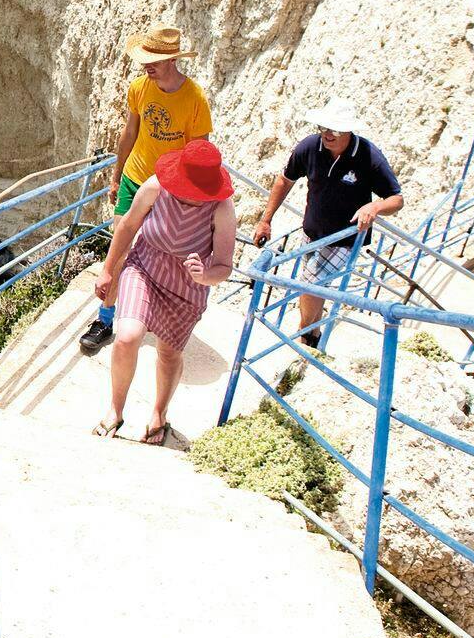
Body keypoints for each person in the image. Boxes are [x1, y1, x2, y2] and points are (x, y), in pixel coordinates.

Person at [91, 139, 238, 446]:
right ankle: (115, 410)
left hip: (187, 286)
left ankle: (159, 414)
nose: (192, 197)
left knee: (169, 354)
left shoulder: (221, 208)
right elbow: (128, 226)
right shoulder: (157, 187)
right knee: (127, 336)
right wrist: (107, 269)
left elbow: (224, 266)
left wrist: (205, 274)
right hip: (144, 266)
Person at [80, 24, 214, 355]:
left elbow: (199, 156)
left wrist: (190, 201)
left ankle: (146, 312)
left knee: (159, 253)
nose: (146, 65)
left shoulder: (195, 100)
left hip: (168, 190)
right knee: (121, 249)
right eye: (145, 59)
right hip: (135, 178)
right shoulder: (140, 87)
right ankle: (105, 319)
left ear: (172, 60)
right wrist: (116, 175)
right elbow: (129, 133)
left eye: (152, 59)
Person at [252, 96, 405, 343]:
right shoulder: (310, 147)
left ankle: (302, 338)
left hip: (344, 238)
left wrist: (374, 206)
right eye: (323, 127)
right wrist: (266, 220)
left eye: (334, 129)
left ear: (348, 130)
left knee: (308, 284)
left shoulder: (368, 156)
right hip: (311, 232)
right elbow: (285, 180)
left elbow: (396, 199)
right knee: (316, 286)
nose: (327, 134)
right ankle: (314, 333)